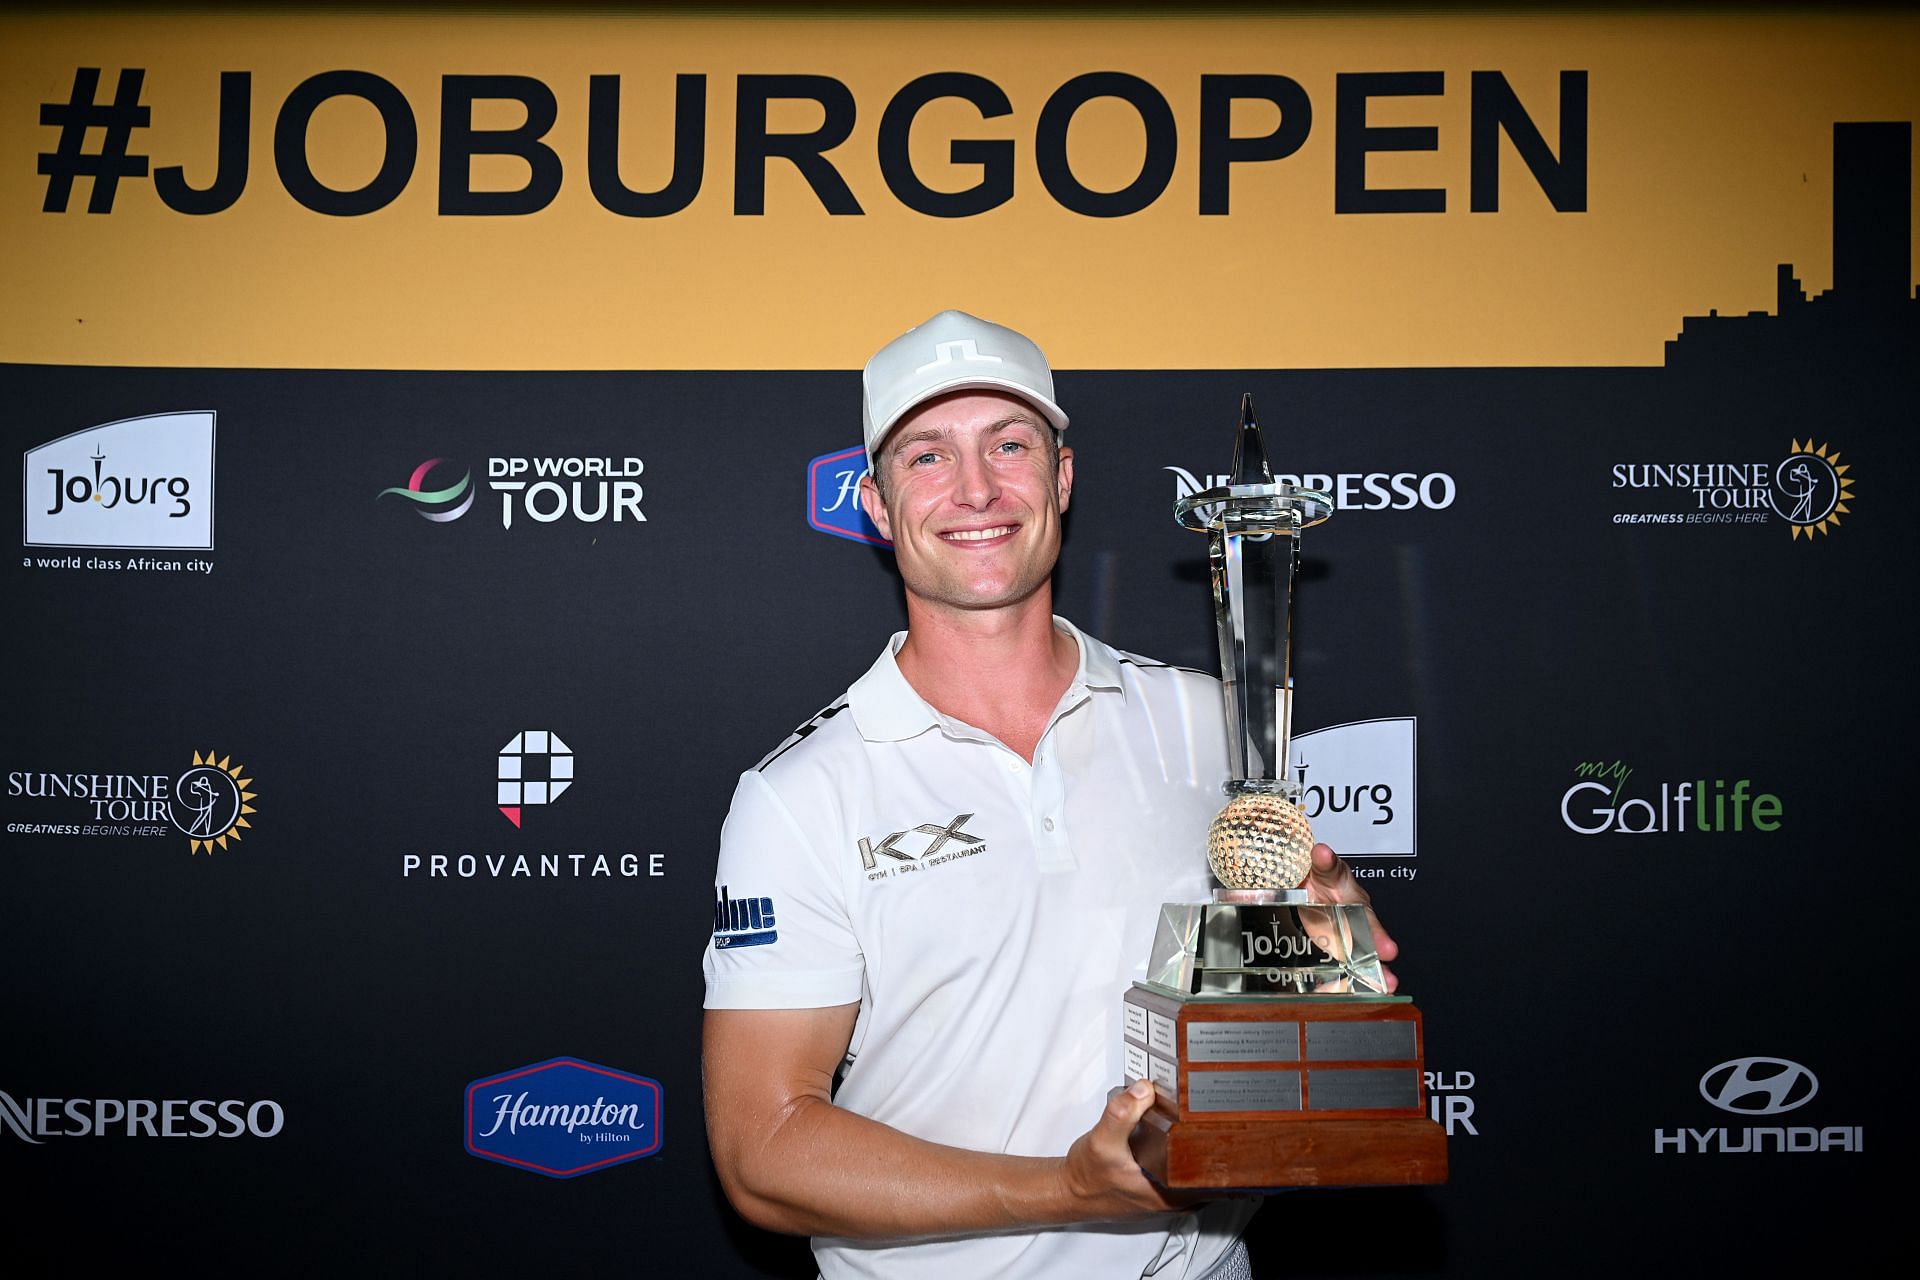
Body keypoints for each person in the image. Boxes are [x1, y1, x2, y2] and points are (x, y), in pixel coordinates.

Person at [702, 311, 1397, 1279]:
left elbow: (1279, 996)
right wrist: (1069, 1186)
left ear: (1061, 479)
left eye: (1011, 444)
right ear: (872, 500)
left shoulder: (1207, 721)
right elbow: (765, 1152)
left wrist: (1327, 944)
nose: (977, 488)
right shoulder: (803, 791)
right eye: (928, 456)